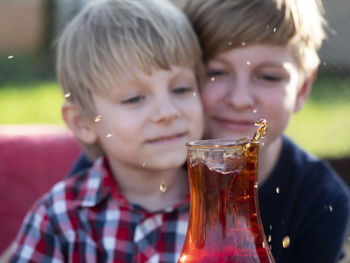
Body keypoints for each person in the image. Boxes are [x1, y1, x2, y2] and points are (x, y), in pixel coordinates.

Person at [70, 0, 350, 262]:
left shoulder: (319, 200)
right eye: (216, 72)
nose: (240, 99)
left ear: (302, 89)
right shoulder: (132, 164)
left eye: (269, 77)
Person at [9, 0, 204, 262]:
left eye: (181, 89)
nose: (168, 111)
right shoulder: (60, 219)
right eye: (134, 98)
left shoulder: (226, 209)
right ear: (84, 123)